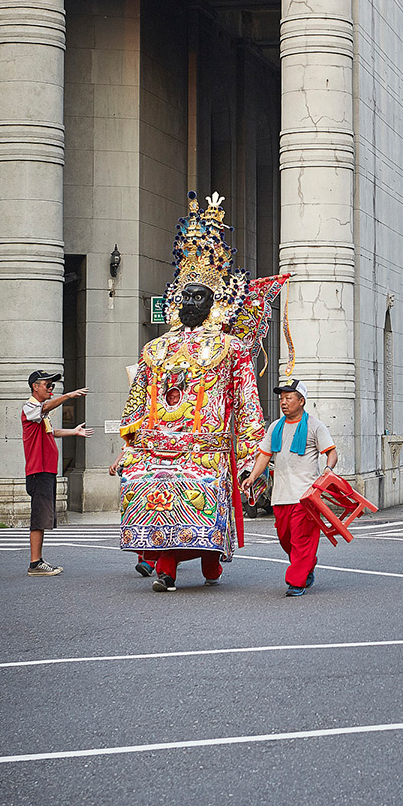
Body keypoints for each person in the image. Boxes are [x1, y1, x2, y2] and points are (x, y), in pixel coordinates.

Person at [118, 192, 270, 593]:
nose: (190, 302)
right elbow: (138, 400)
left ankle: (209, 562)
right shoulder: (155, 349)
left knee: (201, 503)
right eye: (185, 296)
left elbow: (247, 401)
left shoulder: (230, 348)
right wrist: (128, 446)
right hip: (158, 447)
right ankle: (165, 569)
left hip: (206, 448)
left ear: (215, 301)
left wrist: (256, 450)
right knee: (157, 500)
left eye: (198, 296)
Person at [247, 379, 337, 595]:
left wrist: (328, 468)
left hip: (306, 495)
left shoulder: (315, 425)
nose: (283, 402)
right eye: (281, 398)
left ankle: (296, 582)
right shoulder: (275, 426)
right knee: (287, 540)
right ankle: (307, 565)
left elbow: (331, 452)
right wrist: (252, 476)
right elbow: (264, 456)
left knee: (302, 539)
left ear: (301, 401)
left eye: (289, 398)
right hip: (280, 496)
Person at [22, 372, 92, 576]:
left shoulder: (40, 414)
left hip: (46, 470)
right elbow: (45, 407)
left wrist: (74, 432)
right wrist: (68, 396)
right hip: (38, 470)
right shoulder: (31, 407)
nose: (51, 390)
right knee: (38, 517)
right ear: (35, 386)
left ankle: (39, 561)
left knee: (43, 517)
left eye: (52, 386)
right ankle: (35, 563)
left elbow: (50, 432)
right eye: (47, 385)